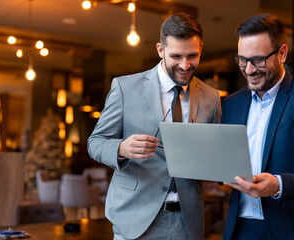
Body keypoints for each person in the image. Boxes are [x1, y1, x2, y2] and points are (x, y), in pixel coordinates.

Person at [87, 13, 221, 240]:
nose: (185, 65)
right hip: (134, 219)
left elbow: (215, 155)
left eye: (193, 56)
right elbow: (95, 143)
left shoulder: (212, 97)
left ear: (201, 48)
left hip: (188, 223)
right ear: (160, 50)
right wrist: (121, 148)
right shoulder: (124, 88)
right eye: (176, 56)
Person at [222, 14, 294, 240]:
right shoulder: (232, 104)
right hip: (243, 229)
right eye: (242, 60)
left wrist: (278, 185)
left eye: (258, 60)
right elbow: (228, 165)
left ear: (282, 54)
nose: (248, 70)